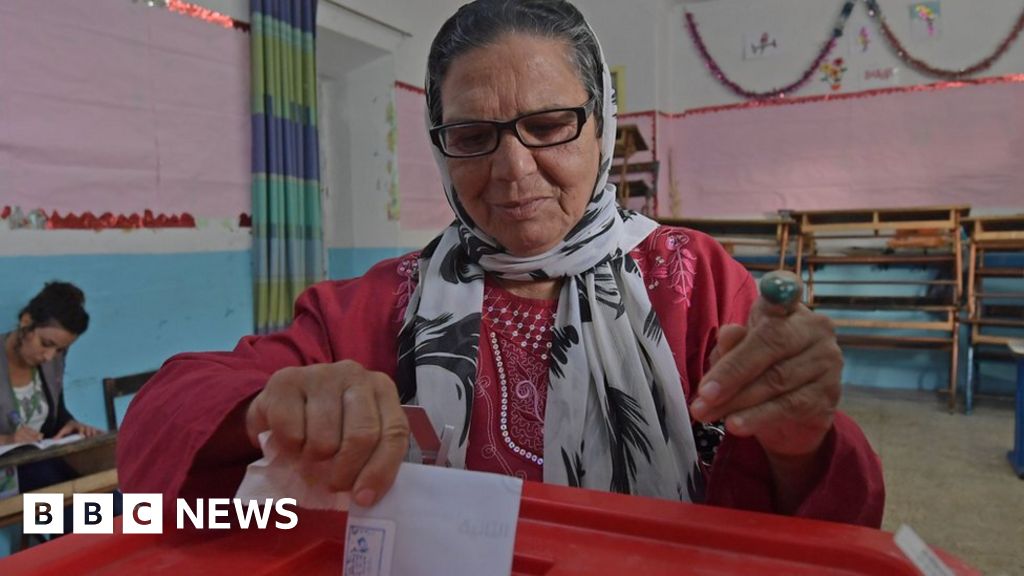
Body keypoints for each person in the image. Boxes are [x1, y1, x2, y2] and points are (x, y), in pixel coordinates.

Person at [119, 0, 883, 526]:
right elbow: (164, 416)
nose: (514, 172)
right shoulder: (374, 307)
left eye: (549, 125)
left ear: (602, 127)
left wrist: (799, 437)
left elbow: (821, 516)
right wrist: (269, 407)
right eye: (474, 136)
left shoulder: (693, 280)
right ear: (439, 142)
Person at [1, 281, 102, 493]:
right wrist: (8, 439)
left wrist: (71, 424)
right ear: (26, 321)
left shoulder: (51, 362)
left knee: (107, 485)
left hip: (41, 466)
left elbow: (53, 412)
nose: (49, 357)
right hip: (11, 476)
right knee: (82, 510)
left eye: (60, 350)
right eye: (46, 344)